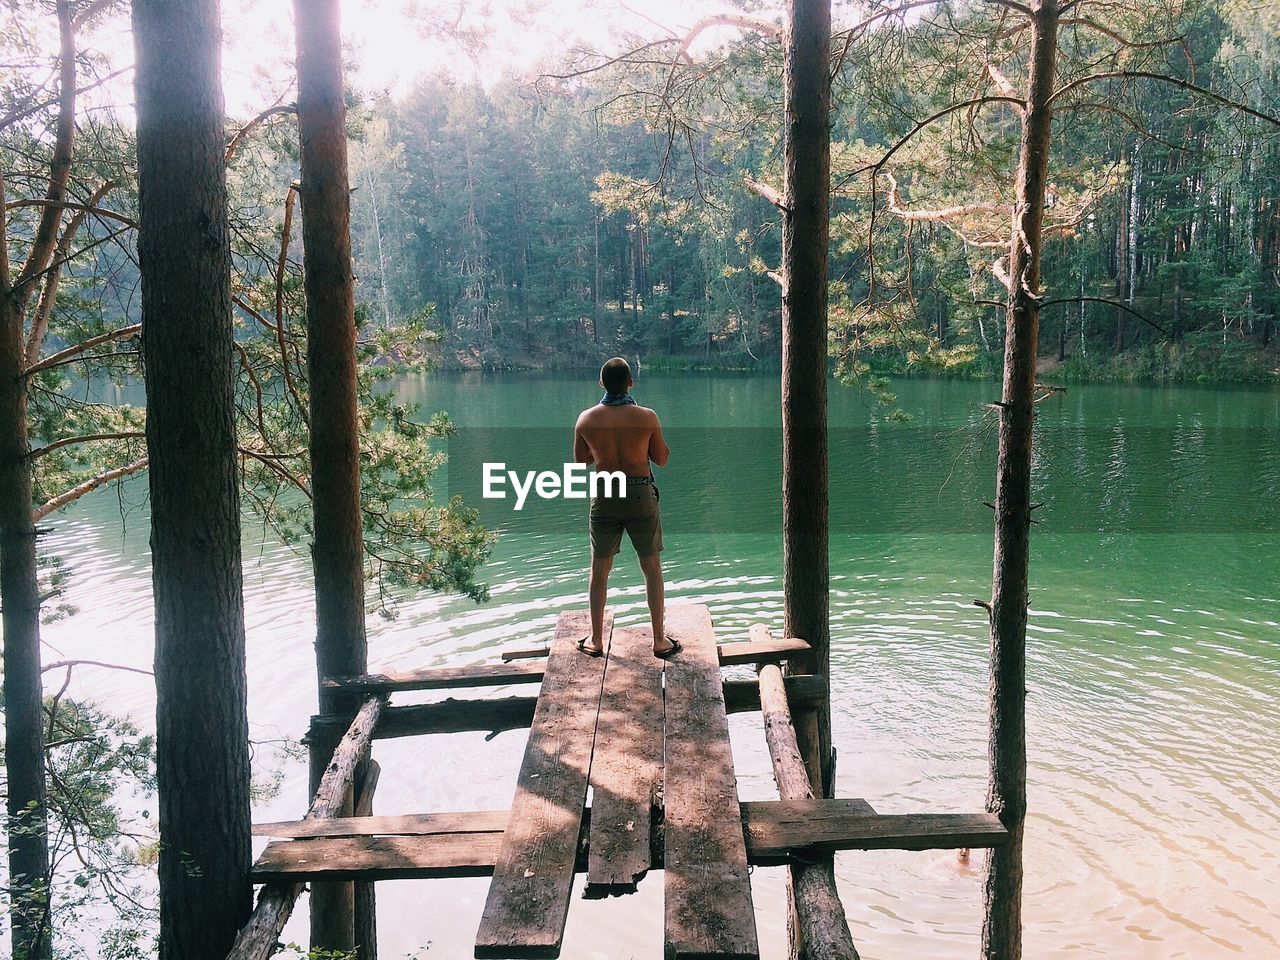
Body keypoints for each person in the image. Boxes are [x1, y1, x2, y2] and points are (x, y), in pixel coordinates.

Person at [573, 357, 674, 658]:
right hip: (640, 495)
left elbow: (581, 461)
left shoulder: (586, 419)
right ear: (630, 382)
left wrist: (603, 450)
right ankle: (658, 640)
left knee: (599, 569)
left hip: (605, 495)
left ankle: (595, 640)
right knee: (651, 565)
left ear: (601, 383)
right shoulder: (647, 416)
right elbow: (662, 458)